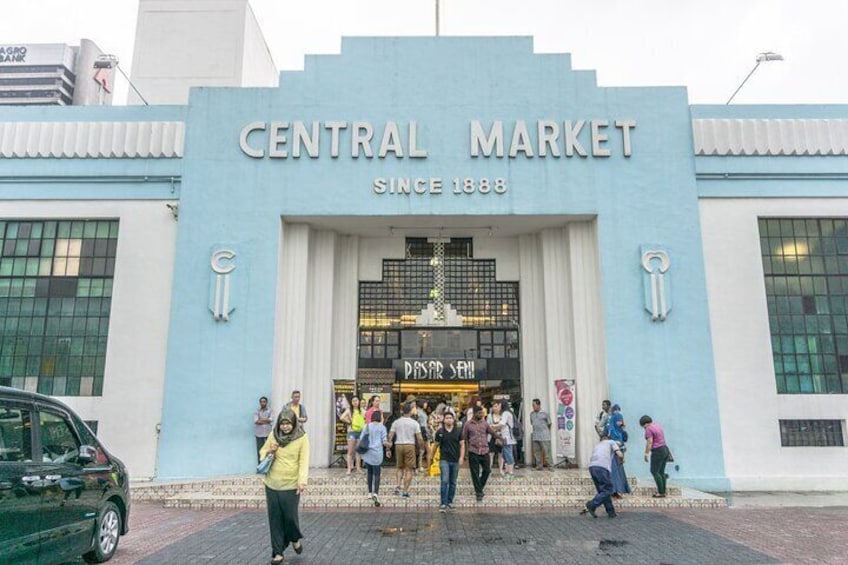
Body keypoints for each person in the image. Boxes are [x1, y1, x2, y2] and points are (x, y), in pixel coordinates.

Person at [260, 409, 309, 563]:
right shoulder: (273, 435)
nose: (285, 427)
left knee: (290, 517)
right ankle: (277, 552)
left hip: (291, 484)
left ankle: (294, 537)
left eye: (288, 423)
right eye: (282, 424)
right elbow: (262, 453)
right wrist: (270, 451)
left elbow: (304, 461)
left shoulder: (302, 438)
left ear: (294, 423)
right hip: (272, 483)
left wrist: (302, 480)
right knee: (275, 519)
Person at [580, 432, 623, 519]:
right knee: (608, 490)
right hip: (602, 468)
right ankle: (591, 505)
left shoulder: (597, 445)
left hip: (592, 467)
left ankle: (611, 512)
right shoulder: (611, 442)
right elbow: (619, 454)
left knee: (603, 492)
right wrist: (622, 460)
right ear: (608, 438)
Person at [387, 401, 424, 498]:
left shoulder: (396, 422)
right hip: (410, 445)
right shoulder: (414, 423)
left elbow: (390, 435)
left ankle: (398, 485)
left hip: (398, 445)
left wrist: (388, 448)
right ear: (411, 411)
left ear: (402, 411)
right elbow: (420, 438)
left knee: (399, 467)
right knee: (409, 469)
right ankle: (405, 491)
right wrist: (421, 447)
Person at [459, 404, 492, 502]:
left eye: (482, 413)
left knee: (487, 470)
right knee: (475, 473)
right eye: (479, 413)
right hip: (473, 451)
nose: (481, 415)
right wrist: (463, 452)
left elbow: (491, 432)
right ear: (474, 413)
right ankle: (479, 493)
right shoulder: (467, 424)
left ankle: (479, 487)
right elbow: (464, 438)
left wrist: (499, 438)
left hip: (485, 450)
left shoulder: (485, 423)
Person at [433, 409, 461, 512]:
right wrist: (431, 457)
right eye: (447, 418)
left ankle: (450, 501)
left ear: (453, 419)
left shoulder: (458, 431)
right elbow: (435, 445)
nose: (449, 420)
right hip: (444, 459)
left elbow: (462, 445)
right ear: (444, 420)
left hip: (455, 459)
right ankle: (443, 503)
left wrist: (461, 457)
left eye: (450, 418)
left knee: (453, 481)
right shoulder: (440, 432)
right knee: (444, 480)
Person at [361, 410, 389, 507]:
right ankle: (375, 493)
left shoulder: (367, 426)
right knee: (377, 473)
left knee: (369, 472)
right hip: (377, 453)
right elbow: (384, 441)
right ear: (380, 417)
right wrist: (388, 446)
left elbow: (362, 438)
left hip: (368, 452)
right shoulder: (382, 427)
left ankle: (369, 492)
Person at [640, 415, 671, 498]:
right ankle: (663, 491)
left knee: (654, 471)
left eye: (643, 426)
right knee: (661, 471)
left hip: (657, 451)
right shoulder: (658, 426)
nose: (644, 428)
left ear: (644, 424)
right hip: (665, 449)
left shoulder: (648, 429)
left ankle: (660, 492)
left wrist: (646, 453)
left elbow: (649, 442)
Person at [605, 404, 631, 497]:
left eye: (621, 420)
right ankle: (614, 491)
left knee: (619, 471)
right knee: (614, 470)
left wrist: (623, 430)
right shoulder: (609, 429)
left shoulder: (620, 430)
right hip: (613, 453)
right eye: (618, 420)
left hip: (620, 453)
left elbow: (625, 439)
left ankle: (619, 490)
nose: (620, 422)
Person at [340, 395, 365, 475]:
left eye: (356, 400)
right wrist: (349, 421)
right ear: (351, 402)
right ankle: (349, 468)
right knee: (350, 451)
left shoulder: (362, 410)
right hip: (352, 432)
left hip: (360, 432)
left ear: (359, 401)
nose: (355, 402)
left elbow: (366, 419)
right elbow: (341, 417)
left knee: (358, 451)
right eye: (353, 401)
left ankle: (358, 468)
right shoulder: (349, 410)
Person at [529, 398, 553, 471]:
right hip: (535, 436)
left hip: (544, 436)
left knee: (547, 452)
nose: (533, 407)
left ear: (539, 405)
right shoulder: (531, 414)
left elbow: (549, 423)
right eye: (532, 405)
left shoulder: (545, 413)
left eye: (534, 405)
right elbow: (532, 423)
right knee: (536, 452)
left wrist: (545, 431)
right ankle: (539, 466)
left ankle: (550, 466)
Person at [498, 401, 518, 479]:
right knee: (505, 454)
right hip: (506, 437)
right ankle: (507, 471)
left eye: (499, 405)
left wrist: (492, 426)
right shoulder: (508, 413)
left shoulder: (505, 413)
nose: (498, 407)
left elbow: (502, 424)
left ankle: (510, 472)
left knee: (508, 454)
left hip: (507, 437)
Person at [486, 401, 505, 475]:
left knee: (501, 454)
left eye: (496, 406)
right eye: (494, 406)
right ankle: (489, 470)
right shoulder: (489, 416)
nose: (495, 408)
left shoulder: (502, 416)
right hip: (491, 437)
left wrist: (494, 427)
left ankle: (501, 470)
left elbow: (503, 426)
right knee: (491, 454)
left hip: (500, 437)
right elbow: (488, 426)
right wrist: (497, 427)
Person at [254, 396, 273, 462]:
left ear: (266, 402)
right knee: (260, 450)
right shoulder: (257, 411)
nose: (262, 403)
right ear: (260, 403)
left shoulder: (270, 411)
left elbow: (271, 420)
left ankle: (268, 465)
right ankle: (260, 465)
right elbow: (256, 421)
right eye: (261, 402)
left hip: (268, 434)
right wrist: (266, 420)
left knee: (269, 450)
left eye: (264, 402)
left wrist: (261, 419)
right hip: (259, 434)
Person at [416, 399, 430, 471]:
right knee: (424, 449)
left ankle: (423, 465)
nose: (426, 405)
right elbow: (418, 421)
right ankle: (422, 466)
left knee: (423, 449)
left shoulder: (421, 411)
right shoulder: (419, 412)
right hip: (422, 430)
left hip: (424, 430)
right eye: (425, 403)